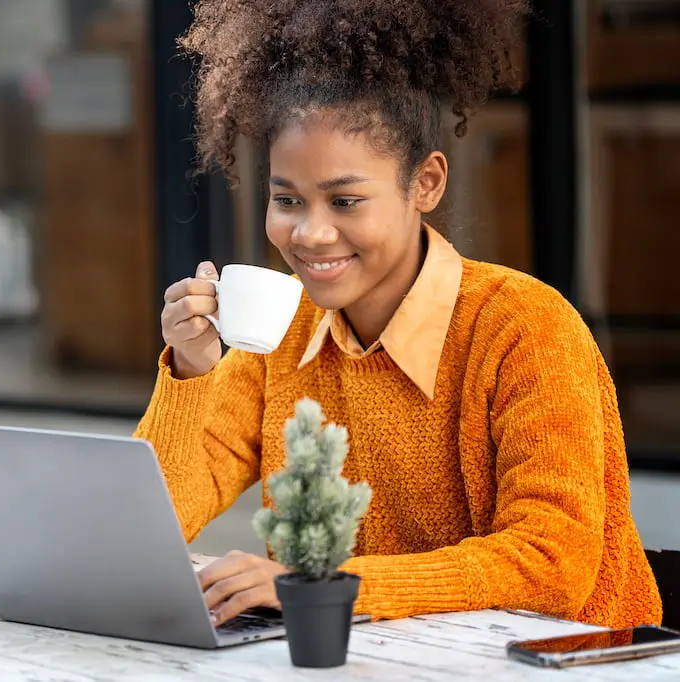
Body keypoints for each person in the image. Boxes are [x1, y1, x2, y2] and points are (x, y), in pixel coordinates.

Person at [134, 0, 663, 629]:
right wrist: (192, 375)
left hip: (565, 666)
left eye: (346, 199)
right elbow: (148, 529)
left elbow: (549, 564)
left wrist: (320, 586)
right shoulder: (281, 336)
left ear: (427, 184)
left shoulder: (525, 327)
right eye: (286, 199)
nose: (311, 232)